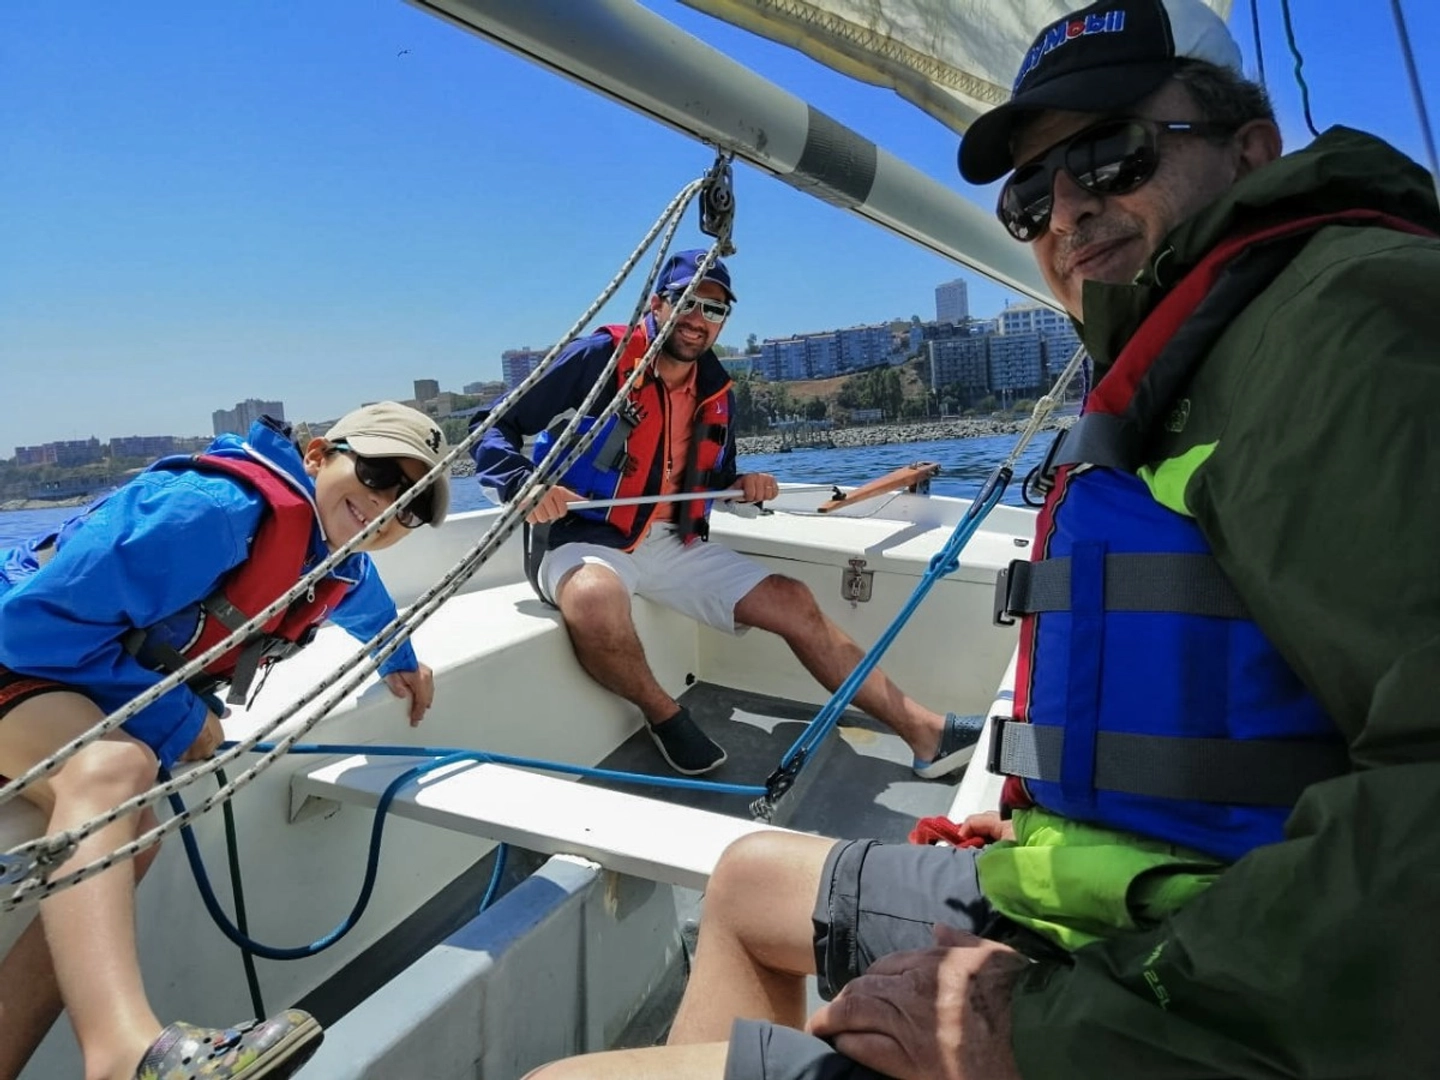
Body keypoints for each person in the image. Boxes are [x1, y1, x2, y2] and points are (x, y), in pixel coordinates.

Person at [526, 0, 1440, 1076]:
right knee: (743, 880)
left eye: (1109, 156)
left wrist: (1036, 1032)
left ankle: (916, 728)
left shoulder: (1345, 326)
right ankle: (672, 718)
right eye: (1030, 198)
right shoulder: (1198, 357)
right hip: (1130, 896)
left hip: (1185, 983)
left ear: (1252, 150)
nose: (1065, 212)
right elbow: (511, 444)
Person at [0, 401, 450, 1080]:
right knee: (114, 769)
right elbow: (25, 629)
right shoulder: (208, 513)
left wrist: (401, 660)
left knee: (130, 833)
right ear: (320, 454)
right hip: (16, 653)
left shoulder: (332, 559)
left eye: (411, 504)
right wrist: (179, 718)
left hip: (54, 683)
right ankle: (121, 1056)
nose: (388, 506)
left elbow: (366, 601)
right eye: (381, 474)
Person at [472, 249, 976, 778]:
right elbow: (492, 427)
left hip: (671, 541)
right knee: (596, 600)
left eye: (715, 312)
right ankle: (664, 715)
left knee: (793, 598)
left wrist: (741, 486)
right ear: (658, 304)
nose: (699, 321)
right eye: (688, 303)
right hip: (581, 537)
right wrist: (524, 485)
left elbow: (706, 481)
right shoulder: (598, 357)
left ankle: (927, 733)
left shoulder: (717, 389)